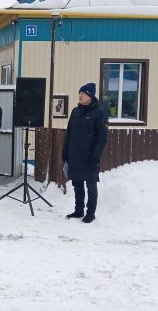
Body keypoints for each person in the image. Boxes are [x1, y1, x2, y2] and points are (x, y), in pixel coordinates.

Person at [62, 83, 108, 223]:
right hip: (75, 155)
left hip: (89, 157)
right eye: (80, 93)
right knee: (77, 184)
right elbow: (69, 133)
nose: (80, 96)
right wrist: (65, 152)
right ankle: (79, 210)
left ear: (91, 96)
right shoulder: (75, 111)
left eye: (84, 93)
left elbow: (102, 138)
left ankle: (91, 213)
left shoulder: (99, 113)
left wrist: (96, 157)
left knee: (91, 186)